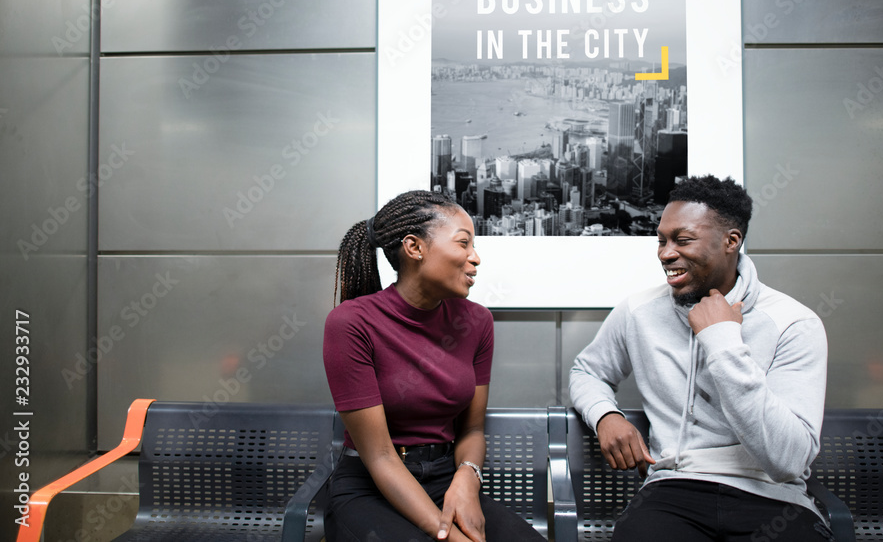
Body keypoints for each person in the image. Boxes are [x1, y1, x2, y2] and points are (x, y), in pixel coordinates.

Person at [569, 175, 834, 541]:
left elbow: (788, 460)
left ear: (731, 241)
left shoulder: (794, 323)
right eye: (661, 240)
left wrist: (722, 340)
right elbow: (587, 371)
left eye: (683, 240)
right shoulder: (638, 311)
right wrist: (605, 416)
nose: (665, 254)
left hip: (773, 495)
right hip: (672, 488)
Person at [322, 190, 545, 542]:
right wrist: (448, 534)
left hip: (446, 479)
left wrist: (467, 480)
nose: (475, 258)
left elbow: (472, 430)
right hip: (372, 486)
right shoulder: (351, 323)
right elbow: (380, 456)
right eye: (463, 243)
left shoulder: (476, 322)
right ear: (415, 247)